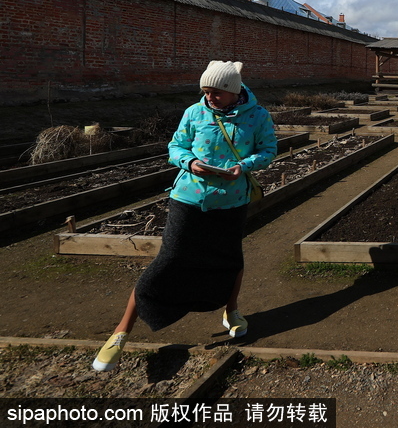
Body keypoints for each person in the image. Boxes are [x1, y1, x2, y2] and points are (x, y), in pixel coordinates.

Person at [93, 61, 277, 371]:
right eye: (205, 91)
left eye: (216, 92)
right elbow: (176, 146)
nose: (209, 97)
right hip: (187, 197)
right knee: (169, 258)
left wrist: (242, 167)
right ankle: (120, 331)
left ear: (233, 92)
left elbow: (269, 149)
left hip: (231, 201)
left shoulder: (258, 116)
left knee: (230, 259)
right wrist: (189, 162)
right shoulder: (195, 112)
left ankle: (231, 311)